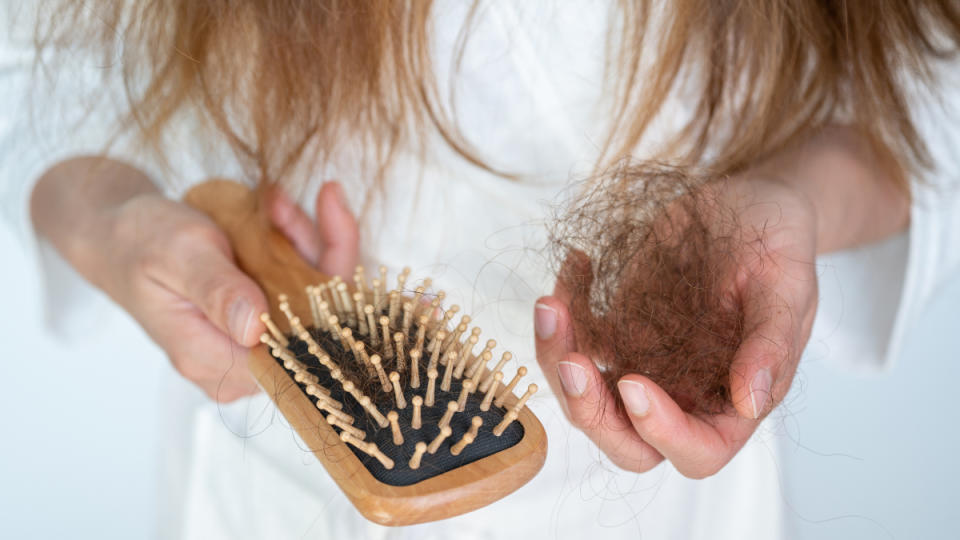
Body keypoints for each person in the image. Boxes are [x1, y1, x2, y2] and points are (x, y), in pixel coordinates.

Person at [3, 1, 959, 538]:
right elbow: (40, 65)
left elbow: (926, 89)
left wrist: (796, 195)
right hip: (280, 495)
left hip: (666, 514)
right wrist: (110, 215)